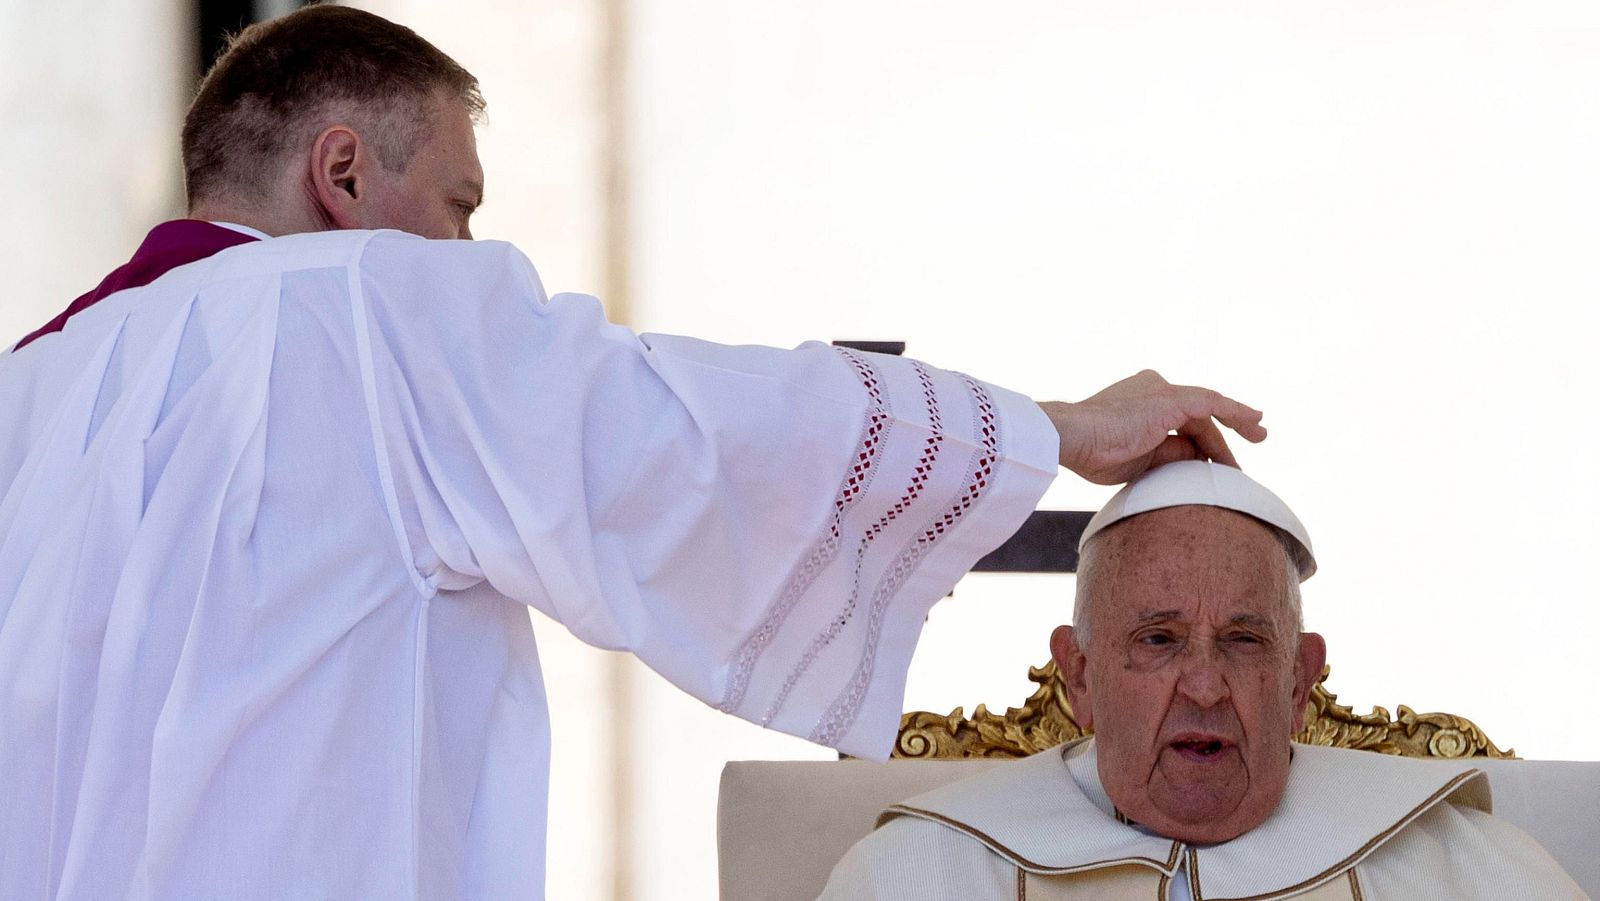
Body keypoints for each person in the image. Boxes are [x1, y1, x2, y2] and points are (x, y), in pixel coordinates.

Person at [0, 6, 1270, 899]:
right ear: (341, 174)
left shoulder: (32, 391)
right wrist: (1049, 428)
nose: (466, 252)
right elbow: (690, 432)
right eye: (458, 206)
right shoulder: (370, 304)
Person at [819, 460, 1586, 900]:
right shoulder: (923, 872)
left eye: (1244, 641)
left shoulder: (1453, 864)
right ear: (1078, 675)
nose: (1205, 686)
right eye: (1158, 639)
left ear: (1299, 681)